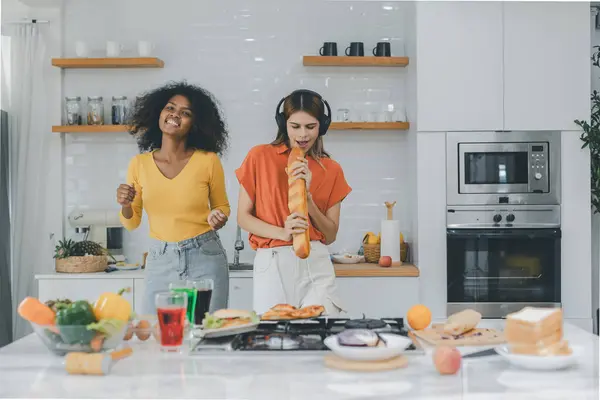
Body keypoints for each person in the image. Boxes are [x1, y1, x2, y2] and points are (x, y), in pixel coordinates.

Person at [116, 81, 231, 315]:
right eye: (170, 108)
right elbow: (132, 221)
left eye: (185, 113)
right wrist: (126, 204)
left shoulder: (208, 161)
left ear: (194, 123)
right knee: (156, 336)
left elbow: (221, 206)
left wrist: (219, 217)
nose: (175, 115)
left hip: (205, 256)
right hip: (161, 259)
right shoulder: (139, 165)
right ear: (159, 112)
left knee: (206, 333)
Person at [236, 89, 352, 315]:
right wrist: (282, 233)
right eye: (295, 126)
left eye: (311, 127)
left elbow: (330, 235)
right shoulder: (259, 157)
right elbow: (243, 217)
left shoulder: (332, 169)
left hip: (316, 261)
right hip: (273, 261)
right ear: (283, 124)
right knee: (274, 338)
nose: (303, 134)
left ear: (322, 126)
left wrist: (308, 201)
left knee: (319, 333)